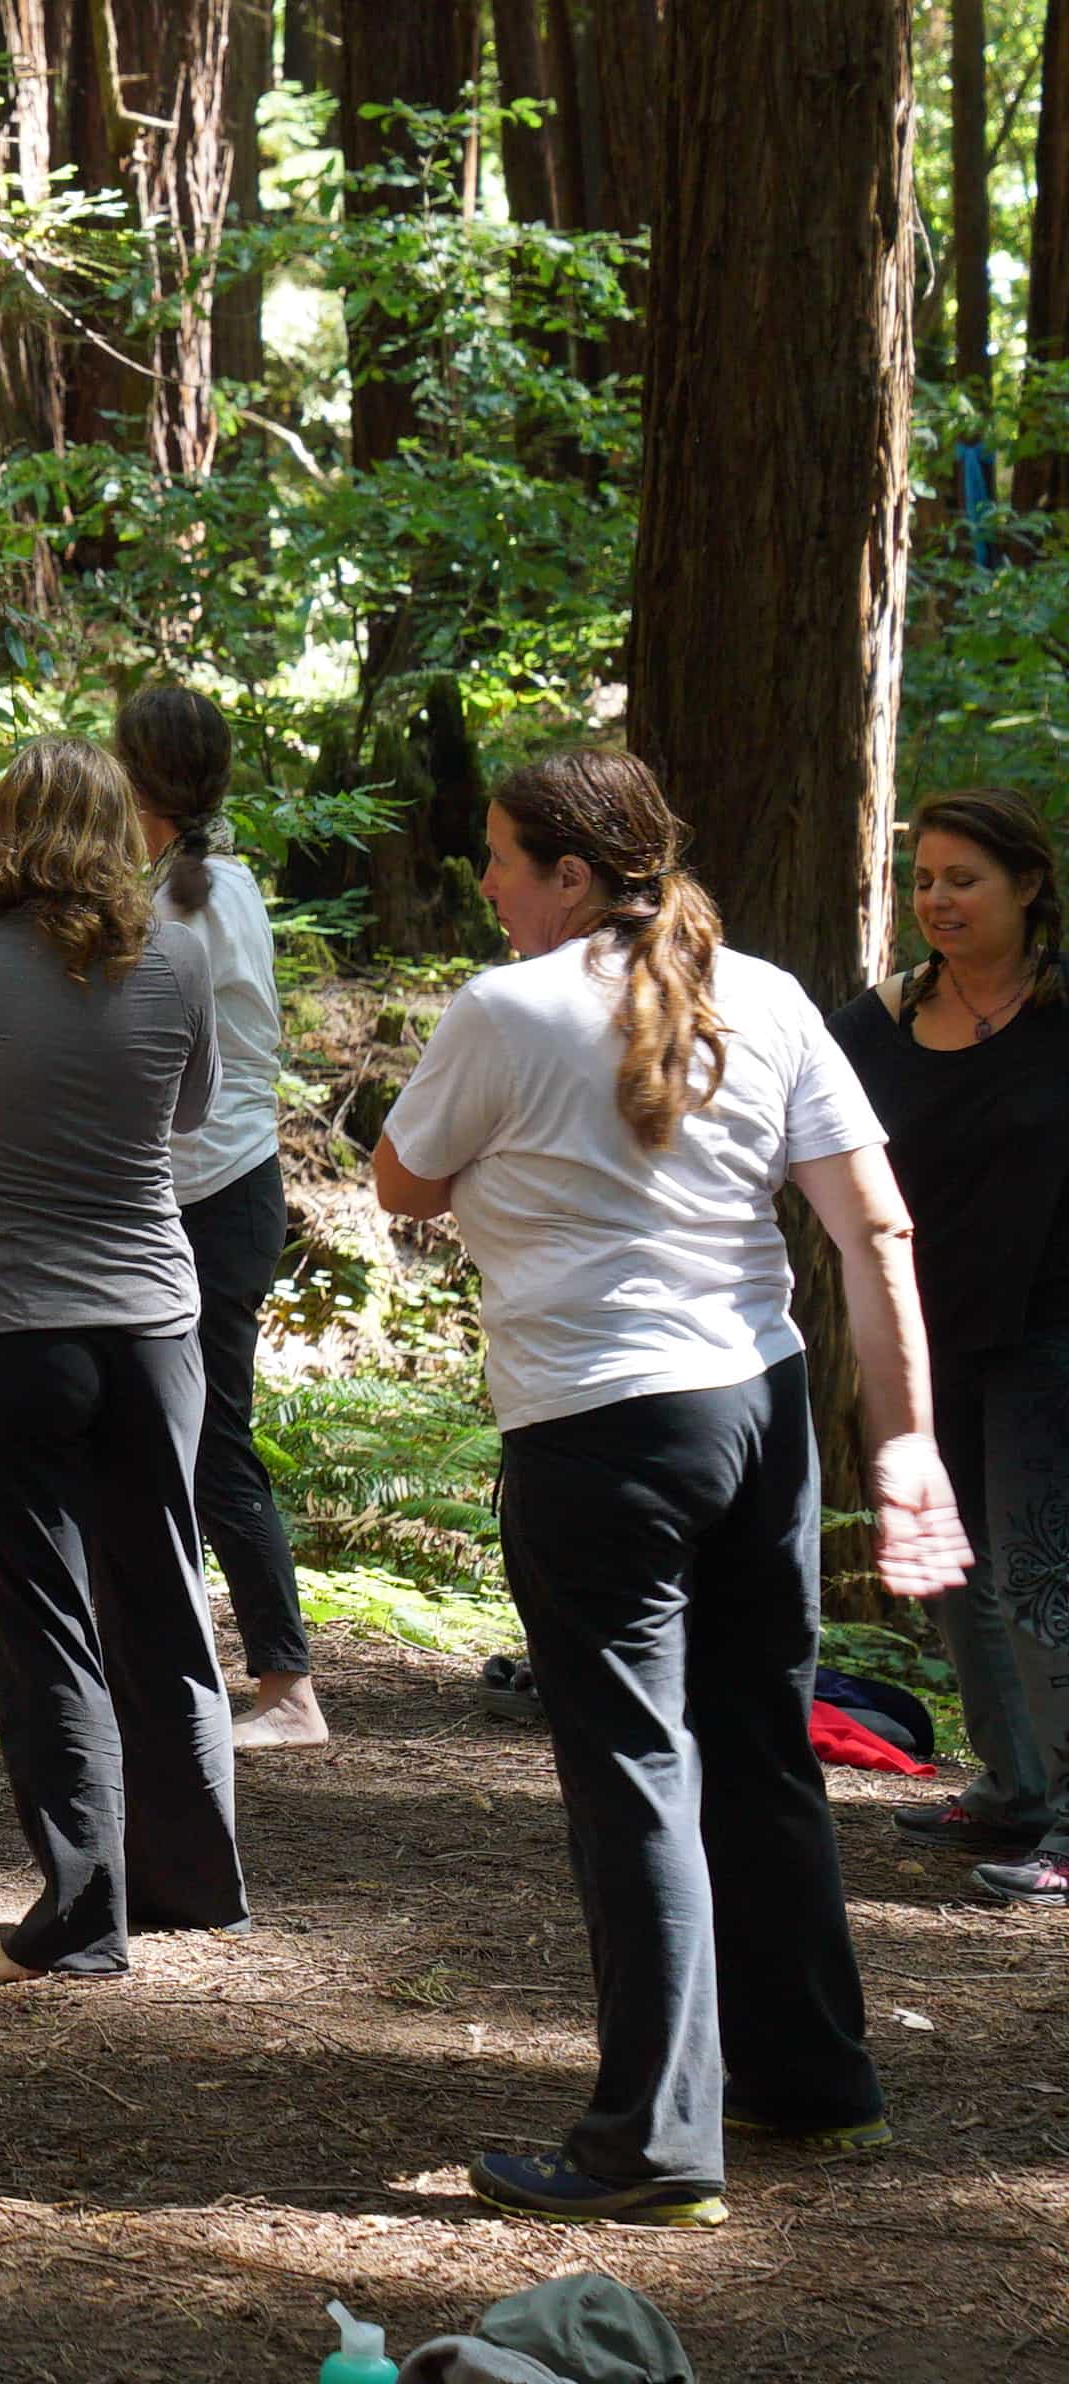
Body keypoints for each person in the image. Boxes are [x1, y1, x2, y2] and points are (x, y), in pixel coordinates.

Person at [373, 748, 964, 2227]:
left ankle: (652, 2143)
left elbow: (397, 1181)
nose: (490, 881)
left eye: (505, 857)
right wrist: (905, 1444)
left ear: (574, 876)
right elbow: (873, 1230)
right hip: (758, 1418)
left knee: (636, 1772)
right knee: (760, 1745)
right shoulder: (762, 994)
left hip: (600, 1431)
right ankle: (816, 2085)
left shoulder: (505, 1011)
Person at [0, 738, 244, 1981]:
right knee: (162, 1593)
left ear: (0, 829)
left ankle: (80, 1912)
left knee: (45, 1618)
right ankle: (195, 1886)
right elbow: (192, 1112)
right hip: (153, 1326)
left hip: (4, 1330)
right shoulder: (180, 958)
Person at [825, 791, 1069, 1908]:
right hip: (927, 1335)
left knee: (1041, 1579)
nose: (935, 899)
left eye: (962, 878)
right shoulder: (878, 1020)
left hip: (1047, 1336)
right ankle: (1016, 1786)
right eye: (923, 879)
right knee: (948, 1568)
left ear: (1027, 886)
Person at [117, 688, 324, 1751]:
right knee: (161, 1435)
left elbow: (176, 1071)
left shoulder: (180, 902)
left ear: (135, 781)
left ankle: (288, 1688)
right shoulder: (206, 882)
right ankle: (170, 1659)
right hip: (206, 1190)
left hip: (214, 1196)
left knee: (211, 1442)